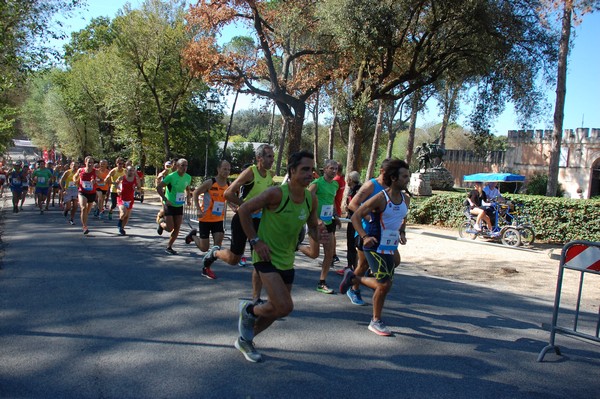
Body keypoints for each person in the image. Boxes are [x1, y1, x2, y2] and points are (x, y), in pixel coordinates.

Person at [235, 150, 325, 362]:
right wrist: (255, 241)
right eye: (304, 169)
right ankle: (249, 310)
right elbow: (244, 211)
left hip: (287, 259)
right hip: (266, 257)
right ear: (292, 171)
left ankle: (246, 338)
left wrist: (319, 234)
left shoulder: (311, 198)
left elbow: (312, 227)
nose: (309, 174)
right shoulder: (276, 194)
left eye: (311, 169)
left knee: (278, 310)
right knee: (285, 306)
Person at [340, 159, 411, 336]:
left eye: (408, 176)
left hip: (390, 243)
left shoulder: (406, 198)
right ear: (394, 178)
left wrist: (402, 232)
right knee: (384, 284)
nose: (407, 179)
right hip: (374, 242)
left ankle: (354, 278)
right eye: (404, 176)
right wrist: (364, 236)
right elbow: (356, 215)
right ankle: (375, 321)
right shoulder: (380, 197)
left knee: (387, 281)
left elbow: (403, 217)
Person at [202, 144, 275, 302]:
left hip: (260, 221)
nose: (272, 160)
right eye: (269, 156)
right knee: (235, 259)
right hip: (243, 218)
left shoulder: (270, 175)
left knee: (260, 258)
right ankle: (215, 253)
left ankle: (256, 298)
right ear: (259, 158)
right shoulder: (251, 172)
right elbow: (228, 193)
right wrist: (246, 206)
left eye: (273, 157)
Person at [345, 158, 391, 306]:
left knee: (394, 260)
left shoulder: (391, 187)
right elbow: (353, 204)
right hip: (365, 230)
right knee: (363, 264)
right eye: (390, 172)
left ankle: (370, 278)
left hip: (384, 232)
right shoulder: (372, 185)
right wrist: (367, 215)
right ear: (382, 171)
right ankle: (354, 288)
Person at [185, 160, 234, 279]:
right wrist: (198, 209)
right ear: (218, 169)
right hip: (205, 219)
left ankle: (206, 268)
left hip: (218, 220)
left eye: (228, 169)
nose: (226, 171)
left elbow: (228, 199)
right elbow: (196, 193)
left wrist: (234, 207)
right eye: (224, 169)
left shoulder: (228, 184)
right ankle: (193, 236)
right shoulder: (210, 183)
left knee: (216, 248)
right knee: (204, 248)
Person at [308, 159, 339, 294]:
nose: (334, 171)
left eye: (336, 169)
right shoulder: (316, 183)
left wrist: (336, 215)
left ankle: (322, 282)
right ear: (324, 169)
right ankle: (297, 246)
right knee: (314, 254)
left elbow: (331, 201)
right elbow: (307, 200)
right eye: (331, 168)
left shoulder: (335, 185)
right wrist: (316, 218)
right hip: (316, 222)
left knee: (329, 253)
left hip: (329, 222)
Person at [156, 158, 192, 255]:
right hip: (169, 204)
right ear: (177, 166)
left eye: (186, 166)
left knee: (177, 227)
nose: (184, 168)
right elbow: (159, 187)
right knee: (169, 228)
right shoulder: (171, 176)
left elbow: (188, 189)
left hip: (179, 205)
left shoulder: (188, 177)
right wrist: (165, 199)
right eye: (182, 166)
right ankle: (160, 222)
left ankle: (169, 246)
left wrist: (188, 199)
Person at [339, 170, 362, 276]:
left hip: (357, 220)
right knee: (350, 243)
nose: (346, 181)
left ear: (351, 180)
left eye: (348, 179)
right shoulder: (351, 190)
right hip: (350, 219)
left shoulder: (359, 190)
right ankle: (350, 265)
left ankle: (357, 267)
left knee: (356, 244)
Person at [114, 166, 141, 235]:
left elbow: (139, 189)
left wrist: (136, 190)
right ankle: (120, 222)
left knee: (127, 216)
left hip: (130, 200)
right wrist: (118, 190)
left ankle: (121, 228)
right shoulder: (122, 178)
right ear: (126, 171)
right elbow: (116, 184)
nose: (131, 172)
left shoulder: (136, 179)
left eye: (132, 170)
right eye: (129, 170)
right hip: (121, 198)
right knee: (123, 212)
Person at [74, 156, 97, 235]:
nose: (90, 164)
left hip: (92, 193)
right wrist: (75, 180)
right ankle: (84, 226)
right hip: (82, 192)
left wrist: (95, 181)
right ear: (85, 162)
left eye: (92, 162)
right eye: (89, 162)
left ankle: (84, 220)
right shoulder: (81, 170)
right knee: (83, 208)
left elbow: (102, 180)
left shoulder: (96, 171)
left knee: (87, 211)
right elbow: (75, 177)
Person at [331, 161, 345, 264]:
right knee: (332, 235)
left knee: (331, 235)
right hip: (337, 209)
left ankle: (333, 256)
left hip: (333, 210)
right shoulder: (342, 180)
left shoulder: (335, 181)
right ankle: (333, 255)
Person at [154, 160, 173, 225]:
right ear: (164, 166)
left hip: (170, 192)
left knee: (170, 208)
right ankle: (159, 217)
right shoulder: (163, 173)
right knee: (164, 207)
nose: (168, 167)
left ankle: (165, 219)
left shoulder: (173, 173)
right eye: (167, 166)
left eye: (170, 166)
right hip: (163, 192)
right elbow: (157, 180)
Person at [60, 160, 80, 225]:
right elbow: (61, 181)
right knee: (68, 206)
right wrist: (63, 189)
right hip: (68, 190)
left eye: (76, 166)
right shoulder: (67, 172)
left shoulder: (79, 173)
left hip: (76, 190)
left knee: (75, 205)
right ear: (71, 166)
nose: (75, 167)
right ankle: (66, 210)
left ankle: (71, 219)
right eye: (74, 166)